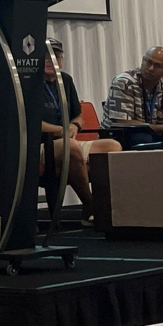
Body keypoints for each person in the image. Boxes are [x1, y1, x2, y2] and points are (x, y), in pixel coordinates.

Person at [42, 39, 121, 226]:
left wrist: (75, 125)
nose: (51, 60)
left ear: (61, 61)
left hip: (69, 141)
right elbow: (28, 123)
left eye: (56, 56)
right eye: (45, 56)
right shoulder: (29, 83)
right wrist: (61, 131)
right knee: (71, 147)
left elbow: (78, 115)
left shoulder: (66, 80)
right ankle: (90, 204)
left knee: (112, 146)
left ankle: (108, 204)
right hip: (41, 145)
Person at [103, 46, 163, 148]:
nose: (150, 68)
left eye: (157, 66)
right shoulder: (124, 82)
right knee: (143, 139)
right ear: (143, 60)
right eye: (148, 62)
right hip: (122, 135)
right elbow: (122, 122)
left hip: (154, 132)